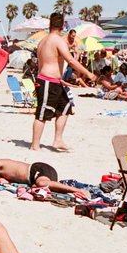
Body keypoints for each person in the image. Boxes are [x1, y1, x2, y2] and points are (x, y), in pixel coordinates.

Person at [32, 11, 96, 151]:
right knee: (42, 114)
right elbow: (70, 60)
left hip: (52, 81)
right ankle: (35, 145)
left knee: (65, 108)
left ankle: (58, 140)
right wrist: (88, 73)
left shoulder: (43, 41)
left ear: (50, 25)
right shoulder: (57, 41)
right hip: (47, 81)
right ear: (62, 27)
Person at [0, 158, 80, 197]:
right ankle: (69, 191)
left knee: (41, 183)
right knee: (38, 188)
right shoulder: (1, 175)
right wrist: (5, 182)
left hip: (37, 169)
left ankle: (79, 190)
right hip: (34, 179)